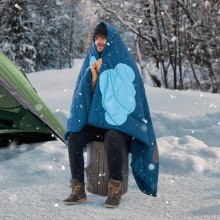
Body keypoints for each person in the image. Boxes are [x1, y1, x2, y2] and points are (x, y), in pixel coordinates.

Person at [63, 22, 159, 208]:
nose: (99, 42)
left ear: (111, 40)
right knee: (74, 137)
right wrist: (93, 78)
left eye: (103, 38)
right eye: (97, 38)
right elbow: (84, 98)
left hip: (119, 124)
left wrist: (108, 79)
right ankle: (78, 188)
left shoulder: (124, 62)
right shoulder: (91, 59)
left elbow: (129, 98)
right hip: (96, 123)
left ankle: (115, 189)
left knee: (113, 136)